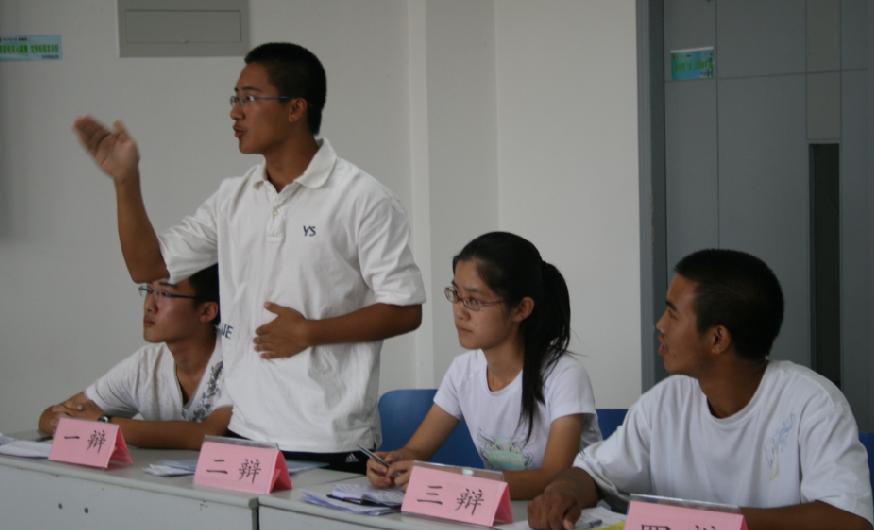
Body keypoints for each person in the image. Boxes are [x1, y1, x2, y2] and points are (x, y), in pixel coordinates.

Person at [71, 42, 425, 473]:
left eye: (249, 99)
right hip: (244, 433)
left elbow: (406, 309)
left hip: (328, 439)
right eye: (235, 98)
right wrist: (126, 180)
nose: (235, 112)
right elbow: (149, 267)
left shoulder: (361, 197)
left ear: (295, 108)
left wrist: (309, 332)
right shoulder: (233, 197)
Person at [528, 249, 873, 530]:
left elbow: (851, 524)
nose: (659, 325)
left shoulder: (812, 403)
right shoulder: (666, 401)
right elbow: (592, 473)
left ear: (718, 338)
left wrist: (709, 524)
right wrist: (563, 492)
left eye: (672, 314)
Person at [367, 232, 601, 499]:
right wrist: (393, 462)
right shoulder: (462, 371)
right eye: (456, 294)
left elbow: (554, 477)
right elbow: (417, 451)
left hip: (572, 518)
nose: (459, 311)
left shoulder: (564, 376)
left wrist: (457, 480)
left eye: (474, 300)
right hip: (505, 515)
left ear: (521, 309)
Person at [38, 265, 231, 449]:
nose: (149, 306)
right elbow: (49, 417)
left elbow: (208, 434)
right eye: (148, 290)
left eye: (165, 294)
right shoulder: (145, 365)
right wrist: (67, 420)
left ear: (206, 311)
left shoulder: (238, 362)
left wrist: (103, 423)